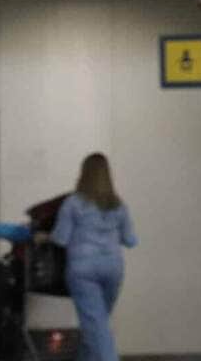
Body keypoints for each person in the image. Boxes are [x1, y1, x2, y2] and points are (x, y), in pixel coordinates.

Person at [51, 153, 137, 361]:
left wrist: (45, 235)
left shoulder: (73, 203)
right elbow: (130, 240)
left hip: (83, 270)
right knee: (96, 326)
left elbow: (61, 239)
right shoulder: (118, 205)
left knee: (97, 329)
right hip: (113, 269)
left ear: (83, 174)